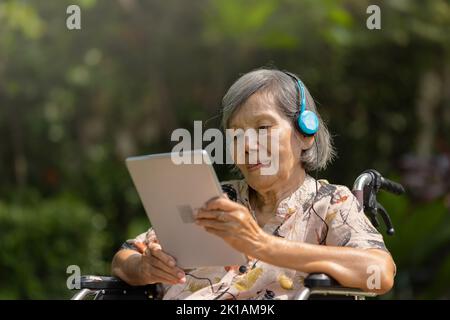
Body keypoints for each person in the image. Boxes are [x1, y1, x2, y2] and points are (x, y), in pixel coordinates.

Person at [111, 68, 396, 300]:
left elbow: (379, 273)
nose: (247, 145)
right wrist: (144, 268)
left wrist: (261, 244)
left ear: (306, 132)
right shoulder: (216, 197)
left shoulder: (331, 203)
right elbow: (123, 258)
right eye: (236, 134)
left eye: (263, 128)